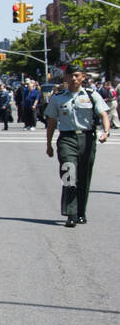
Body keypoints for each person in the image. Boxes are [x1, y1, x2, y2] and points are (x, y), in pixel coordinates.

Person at [44, 63, 112, 226]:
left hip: (87, 138)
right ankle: (71, 213)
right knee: (69, 174)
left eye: (77, 76)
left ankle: (81, 212)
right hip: (67, 139)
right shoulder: (58, 98)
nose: (74, 79)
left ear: (82, 78)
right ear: (66, 78)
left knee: (84, 177)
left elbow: (103, 114)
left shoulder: (91, 95)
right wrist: (49, 144)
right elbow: (52, 122)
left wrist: (106, 132)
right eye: (71, 76)